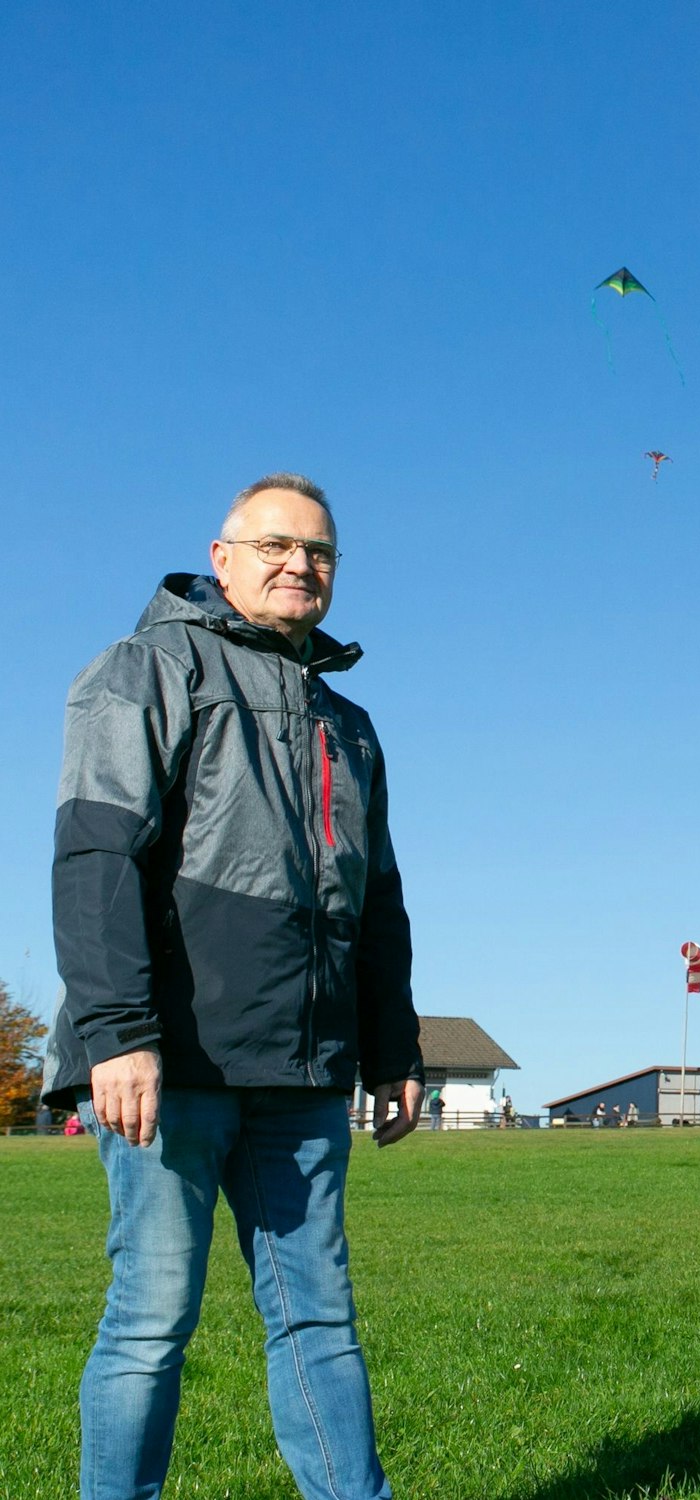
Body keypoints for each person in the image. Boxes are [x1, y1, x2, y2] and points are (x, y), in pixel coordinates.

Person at [42, 474, 421, 1500]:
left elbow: (374, 899)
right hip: (173, 1064)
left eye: (322, 553)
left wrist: (392, 1046)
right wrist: (117, 1031)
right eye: (277, 546)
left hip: (301, 1075)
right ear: (222, 559)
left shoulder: (349, 722)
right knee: (153, 1315)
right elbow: (95, 854)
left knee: (320, 1321)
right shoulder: (146, 669)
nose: (301, 565)